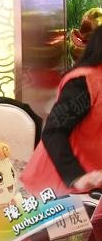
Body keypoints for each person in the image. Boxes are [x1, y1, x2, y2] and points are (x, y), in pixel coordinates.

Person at [22, 25, 102, 196]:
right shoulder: (84, 82)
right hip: (58, 188)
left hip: (93, 188)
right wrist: (76, 177)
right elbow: (54, 131)